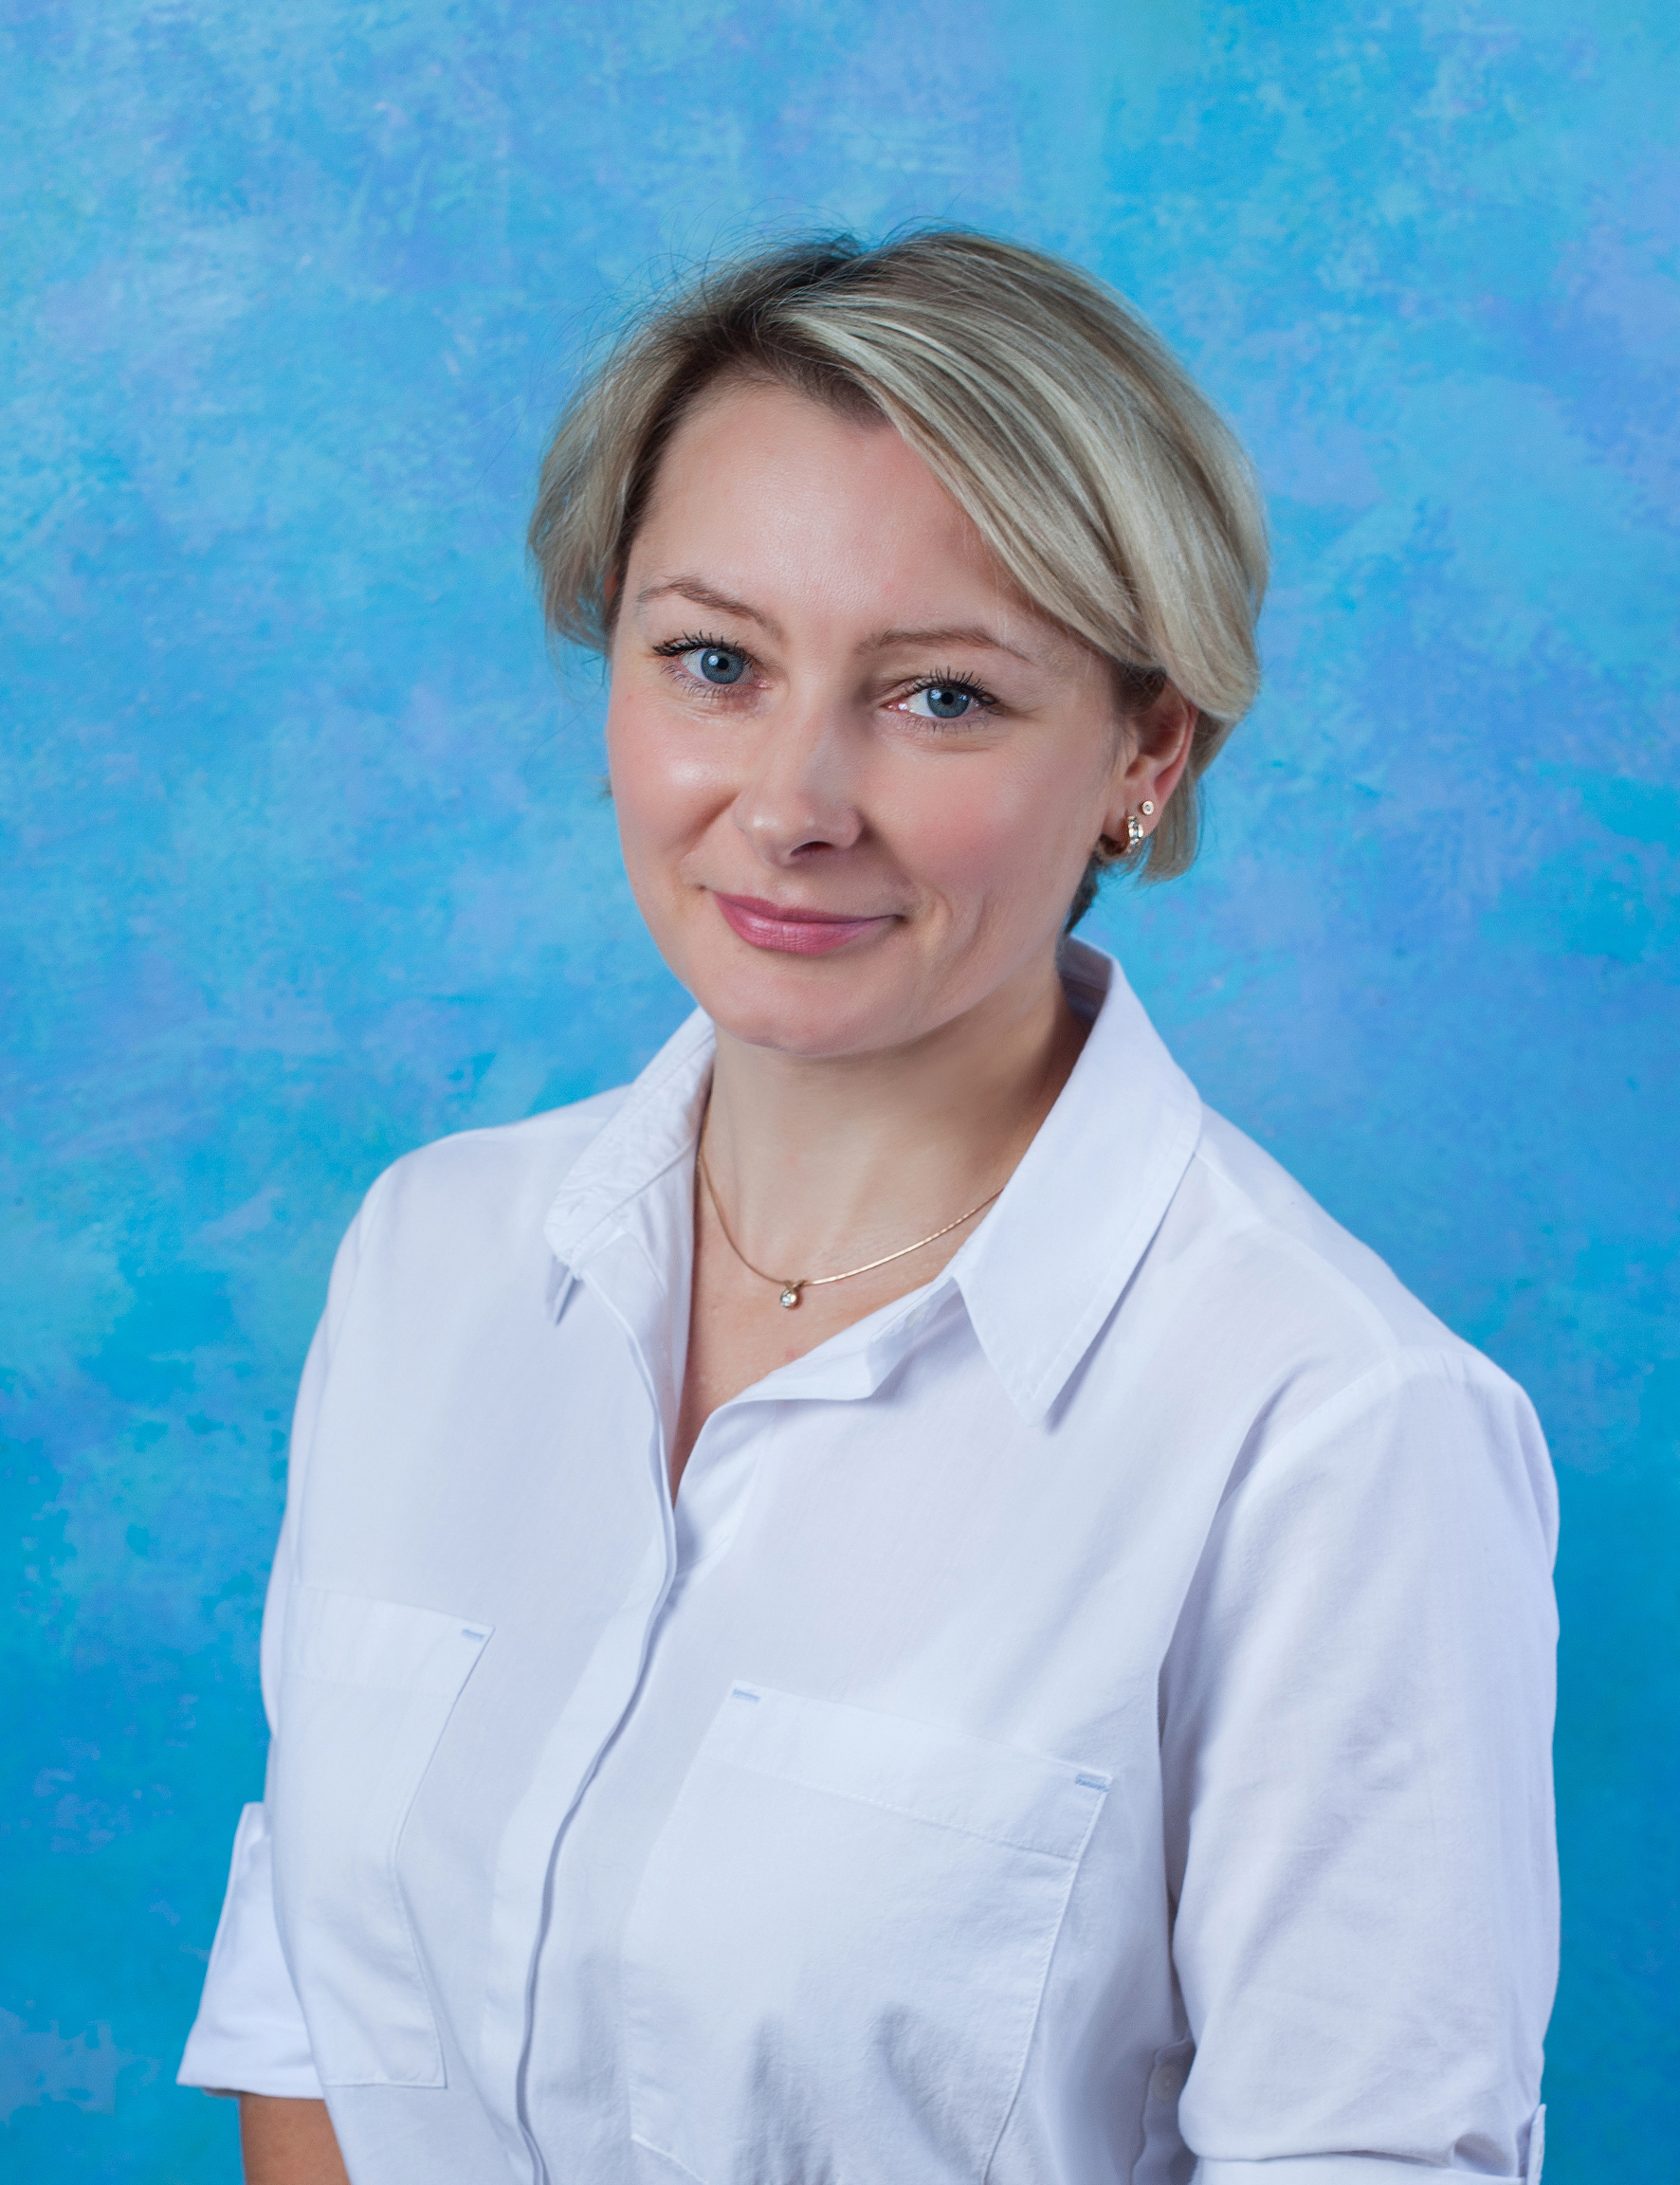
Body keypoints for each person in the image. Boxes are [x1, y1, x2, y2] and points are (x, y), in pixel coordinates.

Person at [179, 229, 1558, 2185]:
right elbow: (317, 2022)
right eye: (715, 663)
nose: (792, 802)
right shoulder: (434, 1257)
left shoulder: (1333, 1433)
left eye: (940, 698)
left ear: (1146, 752)